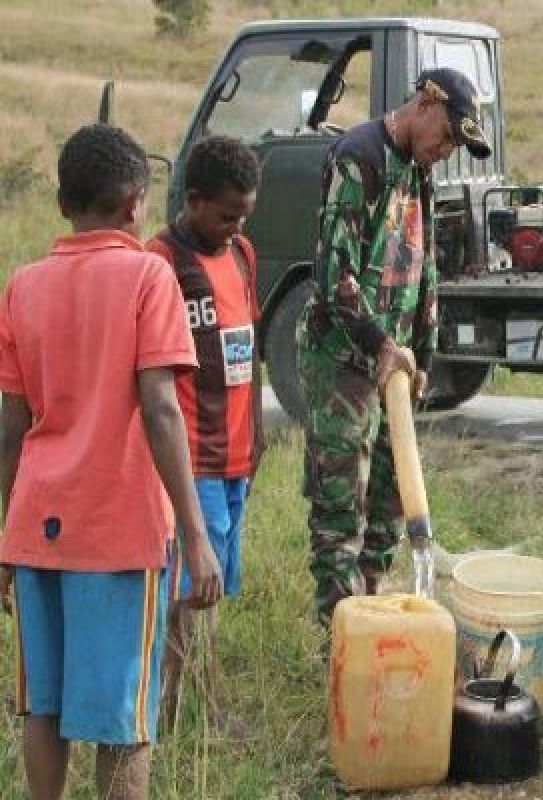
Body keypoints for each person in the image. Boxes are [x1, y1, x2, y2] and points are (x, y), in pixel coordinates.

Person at [0, 124, 222, 800]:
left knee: (45, 706)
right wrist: (196, 532)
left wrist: (4, 537)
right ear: (134, 204)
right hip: (120, 534)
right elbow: (160, 408)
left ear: (65, 202)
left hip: (36, 529)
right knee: (126, 720)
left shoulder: (24, 286)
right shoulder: (148, 276)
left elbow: (9, 428)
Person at [299, 67, 492, 625]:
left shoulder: (419, 171)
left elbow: (424, 268)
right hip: (345, 362)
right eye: (448, 136)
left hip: (398, 367)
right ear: (425, 104)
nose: (446, 149)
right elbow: (334, 274)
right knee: (342, 508)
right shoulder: (360, 158)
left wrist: (423, 356)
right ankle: (337, 639)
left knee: (386, 502)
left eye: (457, 144)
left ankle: (377, 618)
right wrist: (382, 343)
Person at [146, 135, 263, 734]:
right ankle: (183, 714)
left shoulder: (241, 253)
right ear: (192, 200)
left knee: (211, 593)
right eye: (224, 214)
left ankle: (191, 711)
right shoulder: (160, 262)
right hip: (193, 460)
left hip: (237, 456)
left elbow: (251, 346)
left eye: (243, 214)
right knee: (189, 595)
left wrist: (259, 435)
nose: (235, 224)